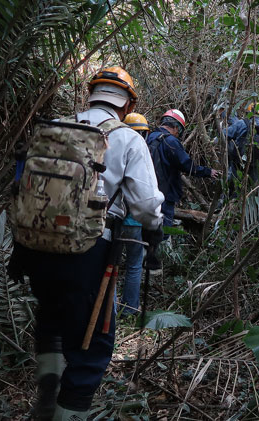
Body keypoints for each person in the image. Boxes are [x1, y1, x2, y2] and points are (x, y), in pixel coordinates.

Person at [12, 67, 164, 421]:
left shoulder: (55, 128)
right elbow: (144, 205)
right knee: (93, 343)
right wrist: (155, 227)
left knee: (50, 316)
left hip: (37, 245)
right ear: (127, 105)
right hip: (88, 250)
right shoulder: (128, 139)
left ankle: (48, 391)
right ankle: (67, 414)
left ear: (90, 95)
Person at [117, 113, 161, 319]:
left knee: (111, 266)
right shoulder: (143, 154)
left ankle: (110, 310)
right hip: (135, 222)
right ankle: (130, 309)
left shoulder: (115, 148)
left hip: (114, 221)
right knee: (134, 266)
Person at [146, 108, 220, 227]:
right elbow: (187, 165)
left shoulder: (150, 137)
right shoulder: (171, 141)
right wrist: (207, 172)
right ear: (176, 127)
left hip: (147, 191)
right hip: (165, 195)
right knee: (162, 230)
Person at [223, 103, 259, 195]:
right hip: (257, 167)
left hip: (238, 165)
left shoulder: (240, 124)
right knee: (252, 192)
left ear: (248, 113)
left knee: (233, 189)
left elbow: (223, 134)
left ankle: (227, 205)